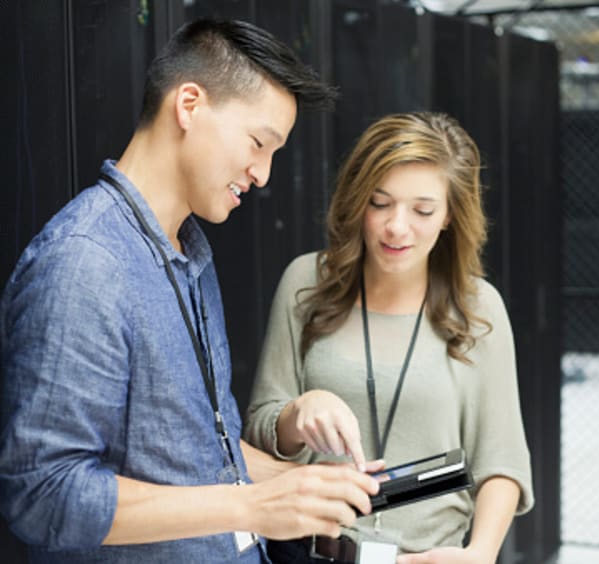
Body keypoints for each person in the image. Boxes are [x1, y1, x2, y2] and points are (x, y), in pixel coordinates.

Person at [0, 18, 381, 564]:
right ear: (189, 105)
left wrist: (313, 485)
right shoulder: (85, 263)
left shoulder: (190, 252)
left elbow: (203, 454)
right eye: (259, 143)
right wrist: (249, 507)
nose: (263, 174)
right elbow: (43, 493)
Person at [245, 111, 534, 564]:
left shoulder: (479, 308)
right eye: (379, 203)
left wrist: (479, 554)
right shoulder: (305, 282)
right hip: (309, 552)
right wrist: (298, 414)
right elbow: (258, 432)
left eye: (422, 210)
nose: (397, 227)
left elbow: (502, 459)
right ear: (357, 201)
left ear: (449, 217)